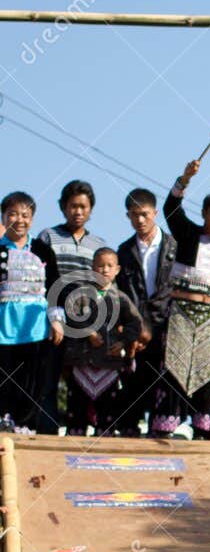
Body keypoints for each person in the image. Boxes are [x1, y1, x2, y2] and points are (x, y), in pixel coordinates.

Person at [153, 162, 210, 437]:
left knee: (207, 372)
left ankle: (203, 427)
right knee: (175, 367)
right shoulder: (189, 236)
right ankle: (168, 424)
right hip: (181, 311)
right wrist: (184, 180)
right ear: (204, 215)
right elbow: (171, 209)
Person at [37, 180, 109, 434]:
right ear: (62, 207)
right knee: (49, 374)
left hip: (86, 321)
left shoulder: (98, 243)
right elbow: (41, 279)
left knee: (82, 377)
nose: (78, 212)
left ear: (91, 209)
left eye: (83, 206)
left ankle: (81, 427)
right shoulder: (47, 236)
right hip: (53, 317)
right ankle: (46, 429)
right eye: (72, 206)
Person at [61, 248, 149, 436]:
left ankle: (105, 441)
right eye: (100, 266)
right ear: (92, 268)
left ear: (117, 270)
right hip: (82, 360)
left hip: (109, 362)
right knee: (77, 405)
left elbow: (135, 323)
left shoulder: (121, 298)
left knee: (107, 408)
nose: (104, 270)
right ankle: (74, 440)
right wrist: (89, 332)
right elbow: (71, 316)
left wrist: (124, 342)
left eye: (109, 266)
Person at [0, 192, 62, 432]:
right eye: (13, 214)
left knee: (33, 378)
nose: (19, 220)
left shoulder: (42, 250)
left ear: (32, 219)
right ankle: (3, 418)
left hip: (35, 326)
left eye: (25, 215)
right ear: (4, 217)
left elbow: (55, 287)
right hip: (4, 324)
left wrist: (56, 321)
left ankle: (26, 424)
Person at [116, 188, 176, 436]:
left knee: (167, 381)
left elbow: (177, 286)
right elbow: (122, 292)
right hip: (137, 327)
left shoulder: (175, 246)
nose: (139, 221)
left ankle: (165, 429)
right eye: (133, 215)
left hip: (168, 324)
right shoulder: (124, 250)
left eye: (144, 214)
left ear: (154, 213)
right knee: (135, 380)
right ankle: (130, 428)